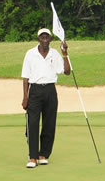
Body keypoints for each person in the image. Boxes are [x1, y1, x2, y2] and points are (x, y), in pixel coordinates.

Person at [21, 28, 70, 168]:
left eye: (47, 37)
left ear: (50, 39)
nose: (44, 39)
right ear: (38, 39)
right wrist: (25, 97)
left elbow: (66, 72)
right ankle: (33, 157)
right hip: (35, 90)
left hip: (50, 90)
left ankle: (44, 154)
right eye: (42, 37)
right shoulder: (30, 54)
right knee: (32, 123)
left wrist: (65, 54)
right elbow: (25, 77)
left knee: (49, 123)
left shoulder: (55, 54)